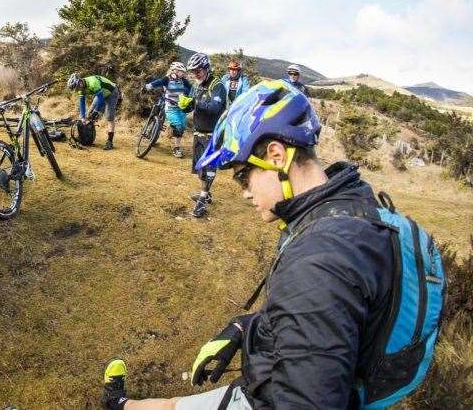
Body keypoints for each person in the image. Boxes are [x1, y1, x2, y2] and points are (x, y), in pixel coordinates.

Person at [101, 80, 442, 409]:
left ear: (277, 156)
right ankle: (120, 404)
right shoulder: (354, 210)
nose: (244, 191)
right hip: (296, 377)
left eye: (242, 175)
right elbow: (331, 313)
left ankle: (117, 404)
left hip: (265, 396)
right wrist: (243, 327)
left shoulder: (319, 261)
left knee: (174, 406)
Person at [177, 53, 227, 217]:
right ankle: (206, 192)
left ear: (206, 68)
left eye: (197, 71)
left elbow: (214, 107)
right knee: (200, 168)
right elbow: (191, 107)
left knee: (209, 167)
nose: (194, 75)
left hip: (213, 133)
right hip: (199, 131)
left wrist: (195, 102)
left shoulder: (217, 84)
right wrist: (184, 106)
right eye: (192, 72)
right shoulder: (196, 85)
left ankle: (203, 199)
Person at [144, 61, 192, 158]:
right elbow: (158, 82)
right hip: (170, 107)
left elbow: (192, 89)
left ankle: (176, 145)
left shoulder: (184, 81)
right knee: (177, 124)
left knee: (182, 127)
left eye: (183, 72)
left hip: (181, 108)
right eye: (181, 71)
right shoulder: (167, 79)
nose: (183, 73)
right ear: (174, 71)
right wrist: (147, 86)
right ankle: (175, 147)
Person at [67, 73, 122, 150]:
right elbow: (82, 103)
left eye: (77, 87)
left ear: (80, 82)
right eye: (76, 89)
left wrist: (96, 112)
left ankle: (110, 142)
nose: (78, 90)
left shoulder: (93, 82)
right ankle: (87, 137)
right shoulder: (80, 89)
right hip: (101, 94)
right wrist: (82, 117)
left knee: (109, 117)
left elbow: (101, 100)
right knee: (88, 114)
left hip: (112, 92)